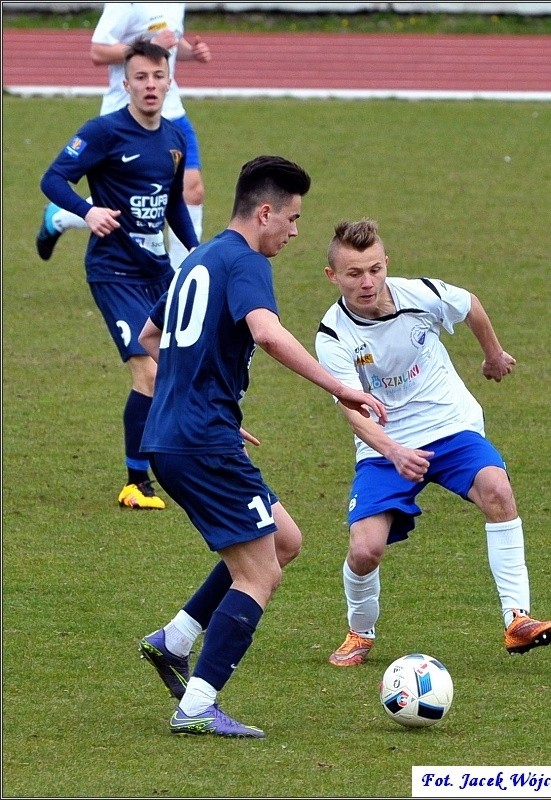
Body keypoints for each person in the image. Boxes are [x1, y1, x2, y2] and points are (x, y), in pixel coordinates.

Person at [136, 157, 387, 738]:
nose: (296, 233)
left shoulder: (197, 258)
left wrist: (201, 400)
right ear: (265, 211)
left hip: (180, 436)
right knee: (259, 574)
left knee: (286, 542)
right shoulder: (245, 262)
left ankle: (173, 641)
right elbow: (268, 333)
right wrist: (343, 388)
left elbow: (150, 337)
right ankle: (197, 705)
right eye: (293, 219)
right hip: (200, 443)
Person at [314, 218, 551, 667]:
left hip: (449, 424)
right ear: (333, 276)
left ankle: (517, 618)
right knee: (365, 549)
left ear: (386, 263)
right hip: (385, 445)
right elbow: (351, 409)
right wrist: (392, 450)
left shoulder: (419, 294)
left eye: (374, 269)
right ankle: (360, 631)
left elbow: (470, 305)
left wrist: (493, 354)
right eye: (354, 274)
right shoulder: (333, 334)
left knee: (498, 490)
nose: (367, 283)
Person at [39, 38, 199, 510]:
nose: (150, 85)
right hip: (114, 272)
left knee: (178, 367)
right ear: (125, 83)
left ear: (170, 80)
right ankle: (135, 482)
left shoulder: (174, 137)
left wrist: (196, 251)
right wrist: (87, 212)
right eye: (141, 78)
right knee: (146, 370)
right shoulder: (104, 131)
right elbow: (52, 178)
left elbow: (172, 204)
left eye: (158, 76)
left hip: (158, 272)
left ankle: (176, 459)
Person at [36, 2, 210, 267]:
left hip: (171, 113)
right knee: (133, 201)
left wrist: (188, 52)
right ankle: (60, 216)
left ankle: (180, 276)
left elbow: (168, 46)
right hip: (127, 113)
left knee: (191, 189)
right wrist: (151, 45)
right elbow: (98, 50)